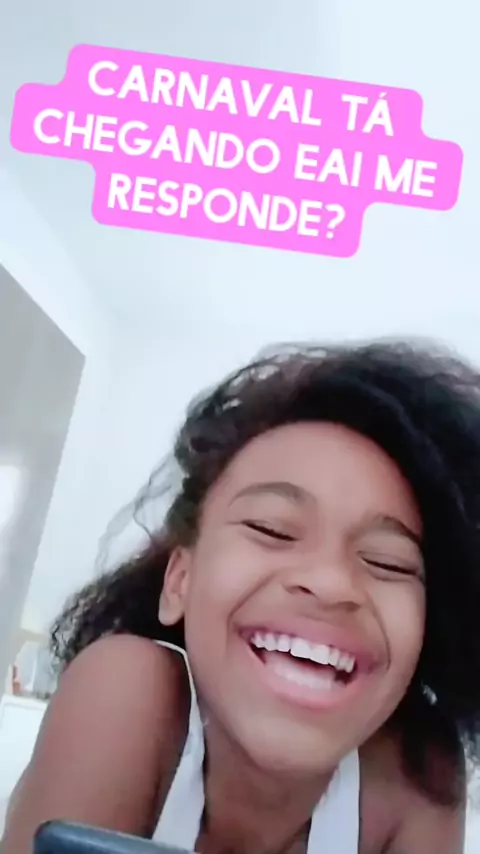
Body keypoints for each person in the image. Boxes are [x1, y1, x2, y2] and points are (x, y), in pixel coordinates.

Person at [2, 339, 480, 854]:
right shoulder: (127, 687)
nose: (330, 583)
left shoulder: (418, 772)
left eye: (388, 562)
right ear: (179, 582)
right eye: (272, 529)